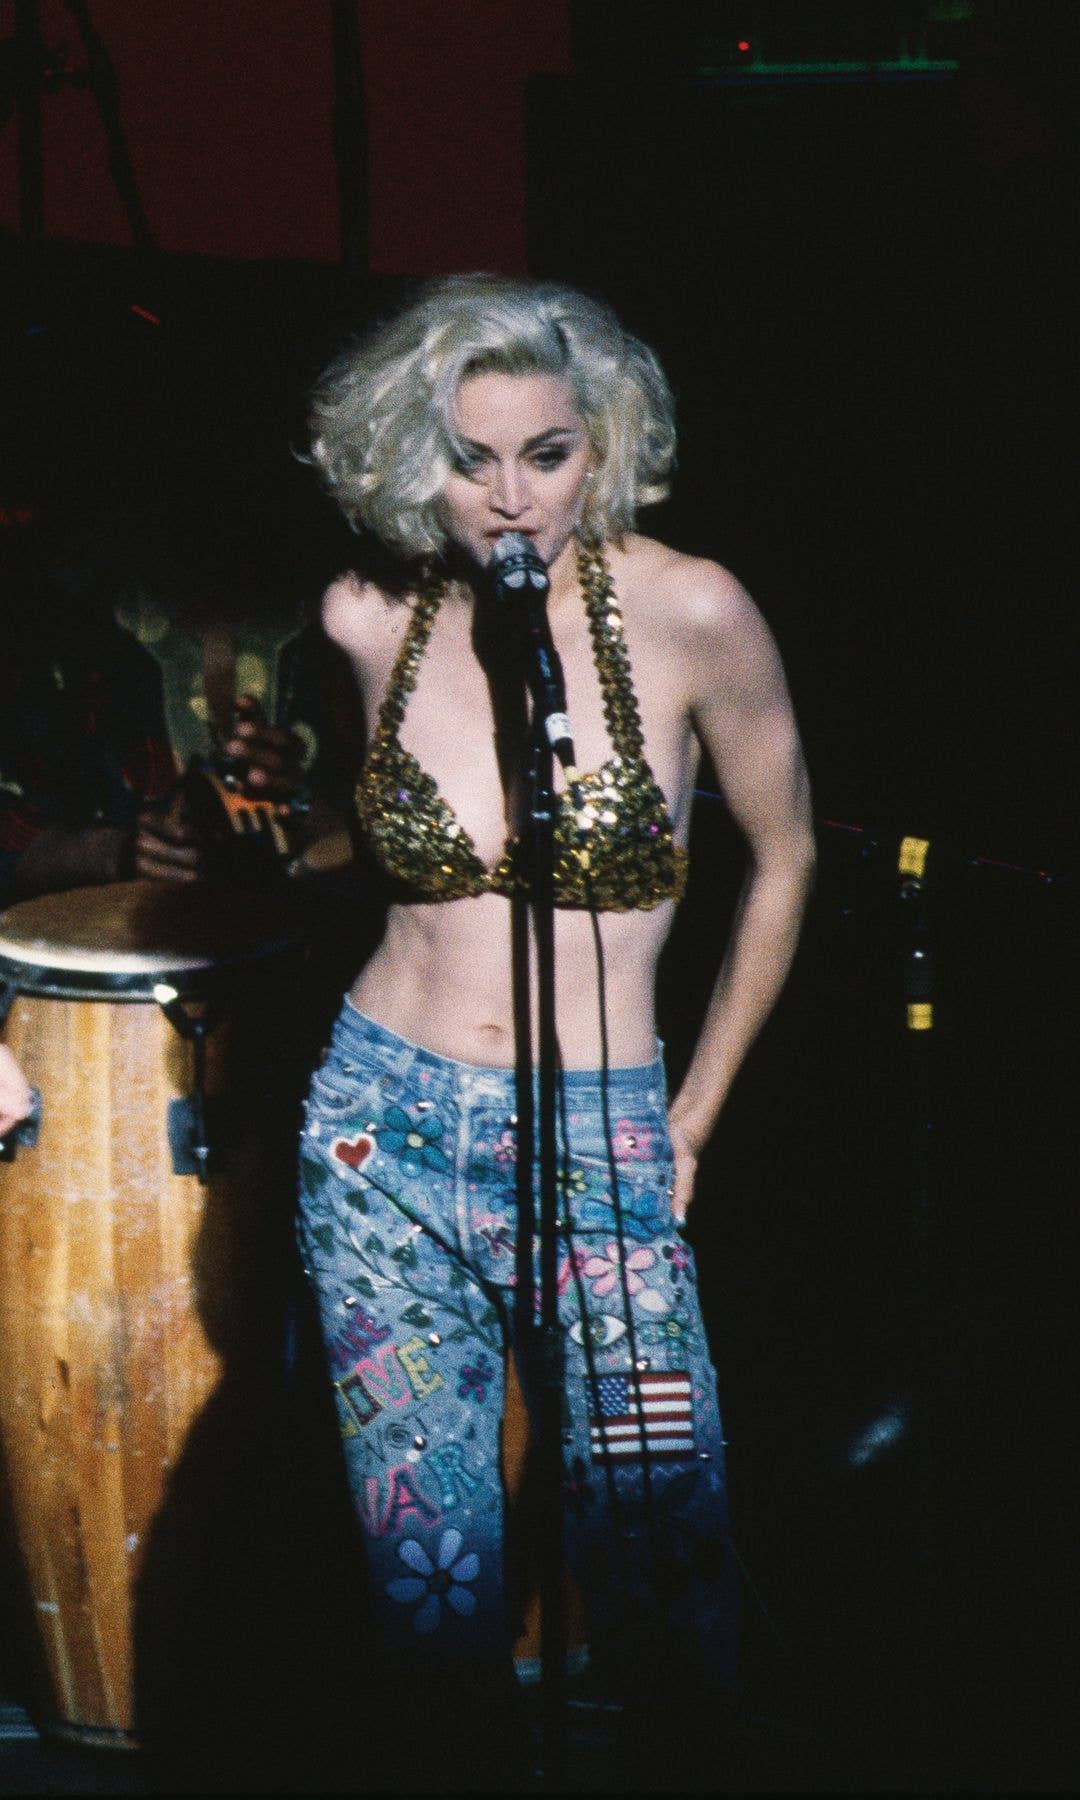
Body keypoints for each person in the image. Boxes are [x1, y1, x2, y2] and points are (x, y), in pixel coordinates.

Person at [297, 275, 815, 1788]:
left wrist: (696, 1117)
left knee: (662, 1544)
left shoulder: (693, 609)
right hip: (377, 1132)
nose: (511, 496)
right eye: (472, 458)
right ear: (414, 457)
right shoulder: (366, 616)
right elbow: (369, 849)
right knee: (431, 1580)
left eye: (549, 453)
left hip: (603, 1139)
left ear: (606, 447)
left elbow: (784, 860)